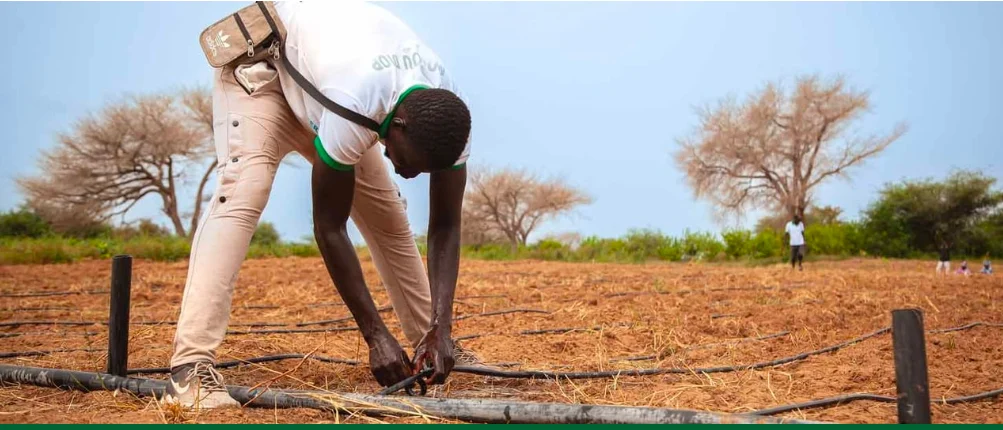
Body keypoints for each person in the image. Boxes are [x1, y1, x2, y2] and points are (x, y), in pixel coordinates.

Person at [166, 1, 478, 409]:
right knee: (245, 189)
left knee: (388, 216)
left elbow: (445, 227)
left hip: (326, 92)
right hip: (264, 72)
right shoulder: (356, 100)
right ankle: (190, 368)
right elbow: (329, 227)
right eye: (409, 165)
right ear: (397, 128)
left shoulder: (449, 117)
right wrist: (375, 336)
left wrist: (443, 328)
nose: (410, 175)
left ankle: (429, 344)